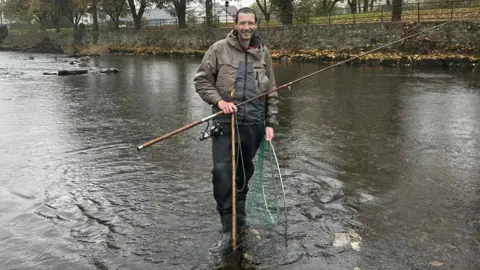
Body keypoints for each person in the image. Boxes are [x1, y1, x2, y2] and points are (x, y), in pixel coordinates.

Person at [194, 7, 279, 254]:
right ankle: (226, 226)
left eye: (250, 23)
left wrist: (271, 123)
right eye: (242, 23)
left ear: (256, 25)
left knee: (243, 174)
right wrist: (219, 102)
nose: (246, 28)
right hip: (224, 124)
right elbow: (201, 81)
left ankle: (239, 222)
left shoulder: (264, 54)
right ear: (235, 24)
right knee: (222, 174)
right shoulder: (218, 49)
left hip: (254, 125)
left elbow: (271, 91)